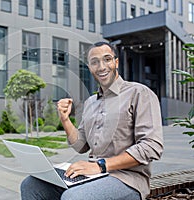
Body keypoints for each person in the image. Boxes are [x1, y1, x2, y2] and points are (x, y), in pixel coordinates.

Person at [20, 41, 164, 200]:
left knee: (73, 197)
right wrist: (65, 119)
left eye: (107, 59)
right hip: (92, 176)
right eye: (95, 62)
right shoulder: (90, 103)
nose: (101, 67)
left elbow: (152, 146)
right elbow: (81, 145)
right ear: (90, 67)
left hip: (127, 179)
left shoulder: (139, 93)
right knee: (31, 184)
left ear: (116, 62)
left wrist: (100, 166)